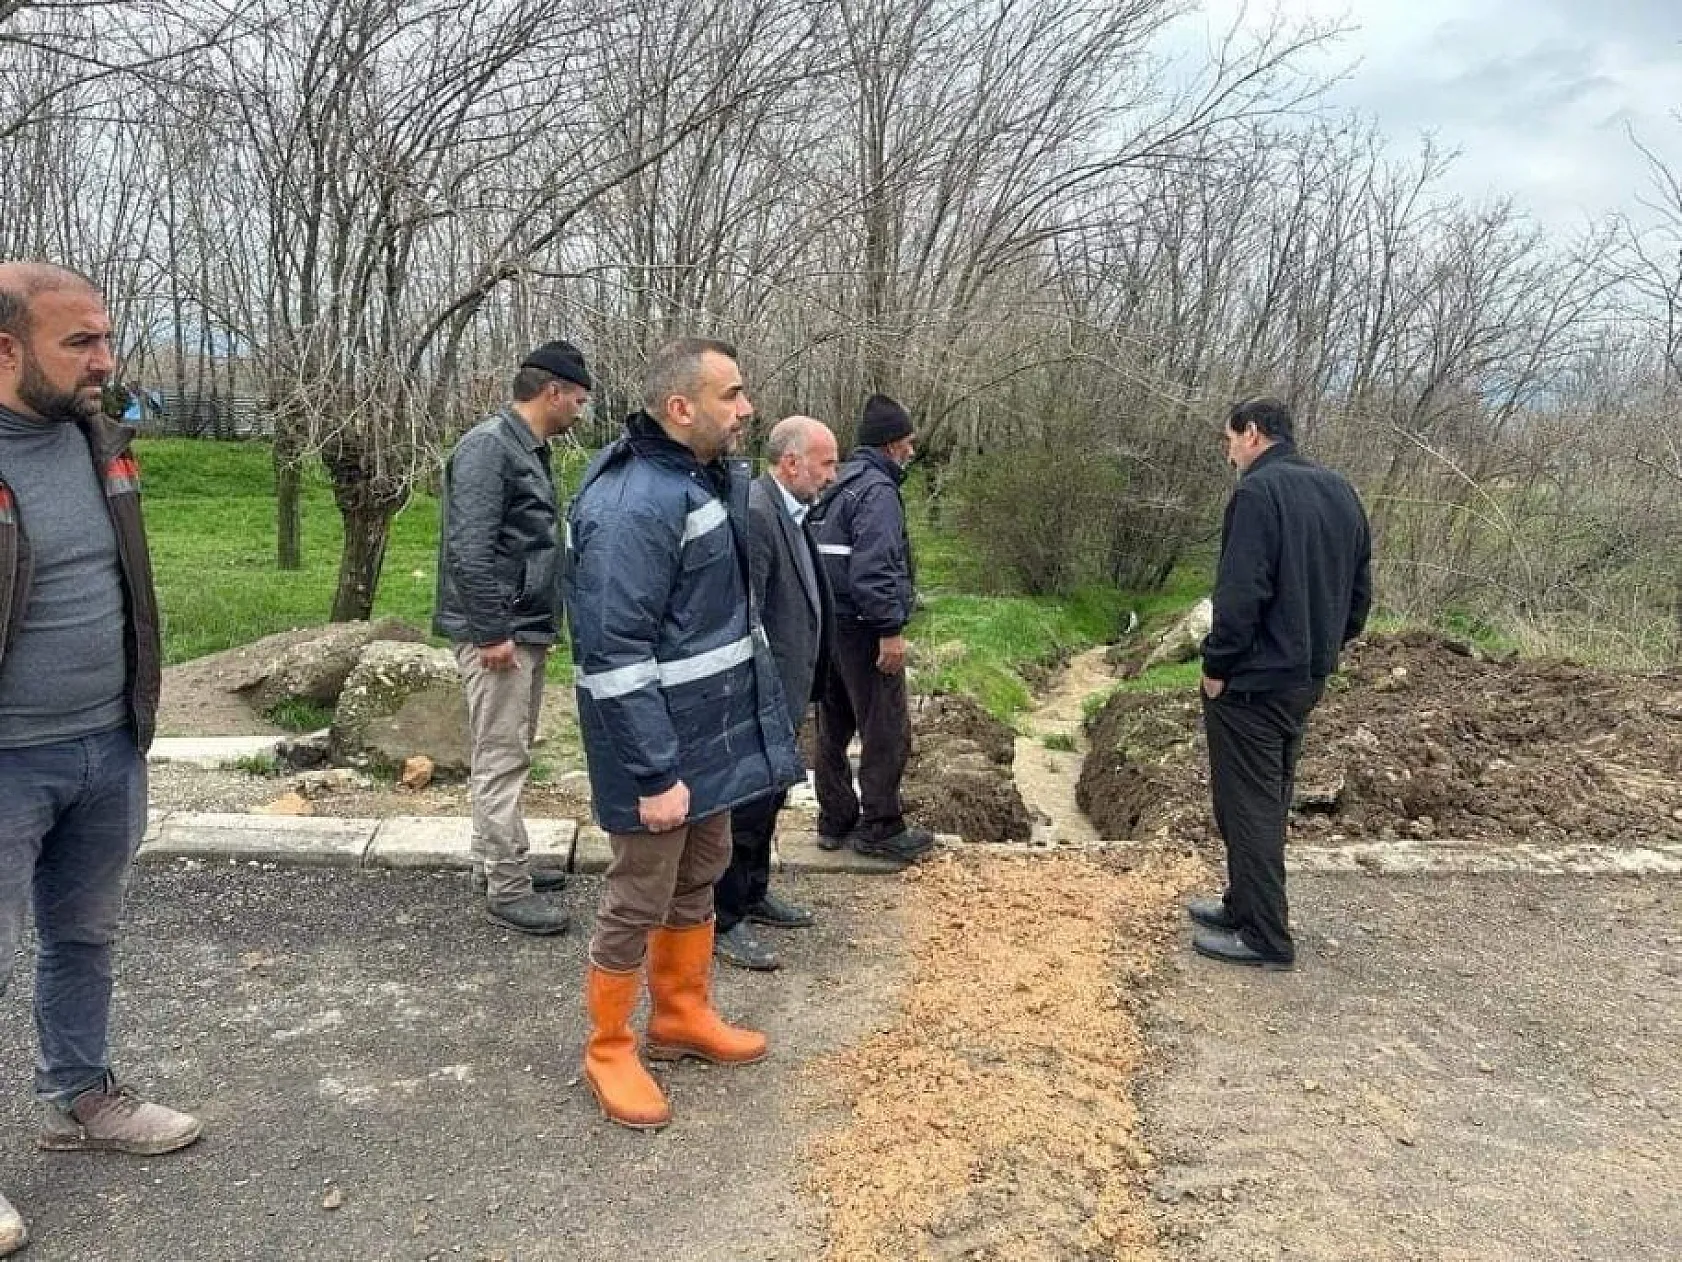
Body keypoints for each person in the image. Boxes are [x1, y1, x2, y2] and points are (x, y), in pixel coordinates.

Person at [0, 261, 202, 1258]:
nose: (104, 360)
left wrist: (131, 718)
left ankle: (77, 1097)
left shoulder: (100, 441)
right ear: (6, 349)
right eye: (79, 341)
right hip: (6, 757)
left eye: (106, 338)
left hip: (106, 740)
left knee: (84, 934)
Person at [564, 338, 803, 1129]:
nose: (747, 410)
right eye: (731, 395)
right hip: (657, 749)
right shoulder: (633, 503)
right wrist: (655, 772)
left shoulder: (698, 478)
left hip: (708, 737)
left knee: (702, 868)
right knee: (640, 893)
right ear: (680, 407)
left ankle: (679, 1016)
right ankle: (609, 1047)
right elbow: (614, 654)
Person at [1191, 396, 1372, 971]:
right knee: (1267, 798)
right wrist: (1323, 648)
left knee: (1248, 806)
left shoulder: (1257, 494)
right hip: (1305, 677)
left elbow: (1240, 593)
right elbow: (1359, 597)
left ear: (1252, 433)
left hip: (1253, 683)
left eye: (1229, 441)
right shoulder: (1341, 492)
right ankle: (1243, 905)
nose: (1229, 454)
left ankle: (1266, 937)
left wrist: (1217, 666)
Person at [434, 341, 592, 936]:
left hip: (522, 626)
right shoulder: (489, 448)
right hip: (500, 634)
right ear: (552, 392)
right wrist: (492, 631)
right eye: (578, 400)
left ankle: (496, 863)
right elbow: (468, 549)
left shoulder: (525, 448)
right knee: (502, 758)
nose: (580, 410)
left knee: (504, 751)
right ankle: (507, 887)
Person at [713, 416, 838, 972]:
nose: (832, 475)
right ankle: (725, 916)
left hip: (786, 690)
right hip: (760, 696)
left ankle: (754, 891)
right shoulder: (759, 513)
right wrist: (756, 697)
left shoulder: (793, 511)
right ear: (791, 463)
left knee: (770, 800)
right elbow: (749, 613)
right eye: (826, 464)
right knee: (746, 807)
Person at [810, 394, 933, 866]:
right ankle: (881, 826)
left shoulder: (839, 484)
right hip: (864, 630)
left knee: (832, 728)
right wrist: (889, 630)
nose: (912, 451)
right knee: (885, 729)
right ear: (891, 444)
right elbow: (875, 568)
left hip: (830, 627)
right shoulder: (878, 492)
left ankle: (835, 818)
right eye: (908, 442)